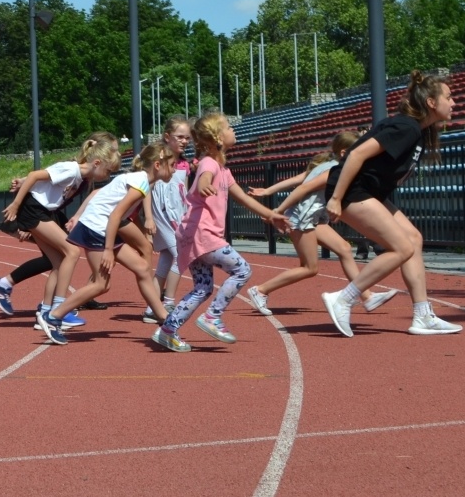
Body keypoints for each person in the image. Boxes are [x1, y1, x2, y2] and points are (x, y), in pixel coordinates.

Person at [321, 70, 462, 336]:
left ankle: (423, 315)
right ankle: (344, 298)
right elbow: (356, 154)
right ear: (431, 103)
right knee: (402, 247)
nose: (453, 102)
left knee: (413, 239)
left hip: (369, 192)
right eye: (449, 97)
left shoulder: (417, 131)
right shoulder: (406, 128)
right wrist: (337, 199)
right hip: (353, 190)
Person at [152, 114, 288, 352]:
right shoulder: (210, 164)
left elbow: (243, 198)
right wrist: (204, 183)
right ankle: (212, 316)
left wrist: (270, 215)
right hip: (202, 234)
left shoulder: (222, 169)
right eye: (227, 127)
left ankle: (167, 330)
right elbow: (205, 174)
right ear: (217, 137)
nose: (232, 130)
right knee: (242, 270)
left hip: (192, 236)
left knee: (203, 288)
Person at [244, 132, 399, 316]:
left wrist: (268, 190)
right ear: (344, 153)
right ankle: (260, 290)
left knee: (344, 248)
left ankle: (367, 296)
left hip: (311, 219)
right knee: (309, 268)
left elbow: (298, 179)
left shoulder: (326, 165)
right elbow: (302, 188)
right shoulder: (333, 170)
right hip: (301, 219)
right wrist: (276, 213)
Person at [37, 141, 175, 344]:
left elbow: (116, 214)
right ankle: (53, 316)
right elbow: (116, 215)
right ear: (157, 164)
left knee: (143, 269)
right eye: (172, 165)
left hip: (102, 228)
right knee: (101, 284)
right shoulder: (141, 182)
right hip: (96, 229)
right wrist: (109, 249)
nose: (175, 169)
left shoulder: (140, 180)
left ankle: (163, 318)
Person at [0, 132, 120, 326]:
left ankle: (47, 312)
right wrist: (16, 205)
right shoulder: (72, 169)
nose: (108, 176)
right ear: (97, 163)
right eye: (108, 171)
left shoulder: (82, 177)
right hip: (33, 210)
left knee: (57, 261)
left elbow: (45, 181)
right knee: (72, 251)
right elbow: (35, 175)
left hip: (42, 211)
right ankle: (59, 308)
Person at [148, 116, 194, 319]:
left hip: (178, 213)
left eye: (187, 138)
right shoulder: (157, 159)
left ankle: (152, 308)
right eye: (180, 137)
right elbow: (146, 187)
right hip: (163, 214)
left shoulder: (184, 163)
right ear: (167, 137)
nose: (184, 141)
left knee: (167, 258)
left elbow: (183, 191)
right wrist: (148, 217)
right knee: (181, 255)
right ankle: (168, 302)